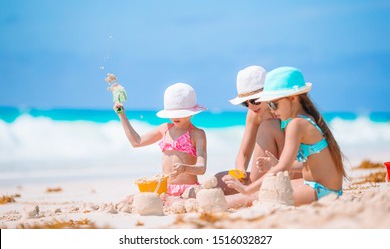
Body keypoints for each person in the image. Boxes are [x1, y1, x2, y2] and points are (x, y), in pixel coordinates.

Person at [223, 66, 346, 206]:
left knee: (260, 197)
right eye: (246, 103)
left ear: (292, 98)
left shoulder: (296, 124)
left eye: (274, 104)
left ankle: (224, 202)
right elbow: (310, 164)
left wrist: (246, 190)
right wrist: (273, 165)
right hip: (325, 189)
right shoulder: (306, 119)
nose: (273, 110)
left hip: (320, 190)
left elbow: (283, 168)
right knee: (257, 193)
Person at [114, 82, 208, 197]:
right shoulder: (165, 129)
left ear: (191, 113)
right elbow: (136, 142)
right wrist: (122, 115)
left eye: (180, 113)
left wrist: (184, 168)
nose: (175, 117)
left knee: (178, 201)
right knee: (131, 198)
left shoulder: (197, 134)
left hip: (188, 189)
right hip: (165, 188)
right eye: (172, 113)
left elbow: (202, 168)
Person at [215, 66, 289, 208]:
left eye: (254, 100)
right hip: (266, 171)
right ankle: (252, 185)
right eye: (245, 103)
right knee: (219, 179)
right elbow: (243, 154)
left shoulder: (283, 111)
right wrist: (241, 169)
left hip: (287, 170)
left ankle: (252, 188)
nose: (251, 106)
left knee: (267, 127)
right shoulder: (254, 114)